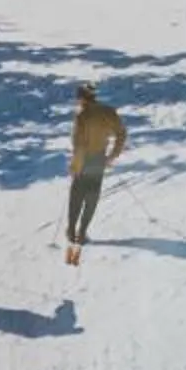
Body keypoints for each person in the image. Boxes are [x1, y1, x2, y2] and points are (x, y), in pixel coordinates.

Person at [65, 84, 129, 251]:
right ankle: (82, 232)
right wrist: (112, 156)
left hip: (83, 159)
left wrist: (75, 165)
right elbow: (121, 133)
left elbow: (78, 144)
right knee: (92, 196)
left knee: (76, 195)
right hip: (99, 159)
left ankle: (71, 230)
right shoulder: (108, 111)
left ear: (81, 98)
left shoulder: (82, 116)